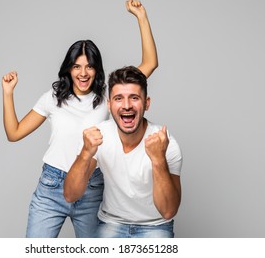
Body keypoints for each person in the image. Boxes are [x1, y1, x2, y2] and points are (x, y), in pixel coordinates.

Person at [2, 0, 158, 238]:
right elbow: (14, 133)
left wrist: (141, 17)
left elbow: (150, 63)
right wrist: (8, 94)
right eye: (76, 66)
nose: (83, 73)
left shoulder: (109, 94)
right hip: (51, 187)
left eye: (89, 67)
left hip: (91, 188)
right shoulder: (52, 98)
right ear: (69, 69)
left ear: (97, 69)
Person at [64, 66, 182, 238]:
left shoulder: (165, 143)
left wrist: (158, 160)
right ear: (109, 104)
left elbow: (169, 211)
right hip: (112, 222)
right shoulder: (98, 136)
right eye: (118, 98)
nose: (126, 106)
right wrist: (85, 153)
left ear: (146, 103)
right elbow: (70, 195)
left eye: (134, 98)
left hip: (155, 226)